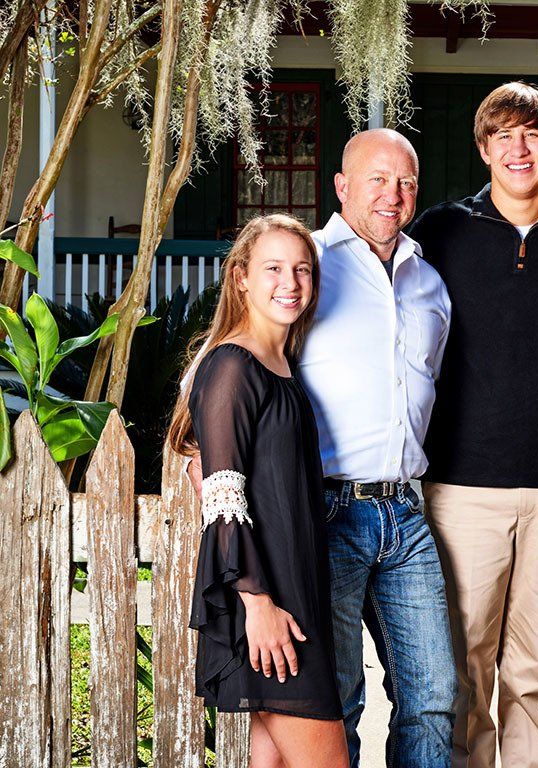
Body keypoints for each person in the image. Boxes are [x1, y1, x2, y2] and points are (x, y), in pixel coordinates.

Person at [189, 129, 457, 768]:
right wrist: (256, 597)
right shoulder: (311, 268)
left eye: (406, 182)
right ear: (341, 187)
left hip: (406, 512)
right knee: (336, 703)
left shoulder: (429, 283)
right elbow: (215, 450)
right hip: (322, 522)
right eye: (376, 179)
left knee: (434, 697)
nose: (393, 195)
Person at [409, 82, 538, 768]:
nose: (517, 149)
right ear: (483, 149)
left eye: (532, 135)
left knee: (532, 676)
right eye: (503, 136)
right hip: (462, 485)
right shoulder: (440, 231)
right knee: (462, 669)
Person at [168, 214, 349, 768]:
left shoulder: (281, 366)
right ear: (241, 277)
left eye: (301, 270)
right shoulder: (232, 365)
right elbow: (223, 499)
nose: (289, 282)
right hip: (269, 601)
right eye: (273, 268)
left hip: (296, 591)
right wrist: (257, 603)